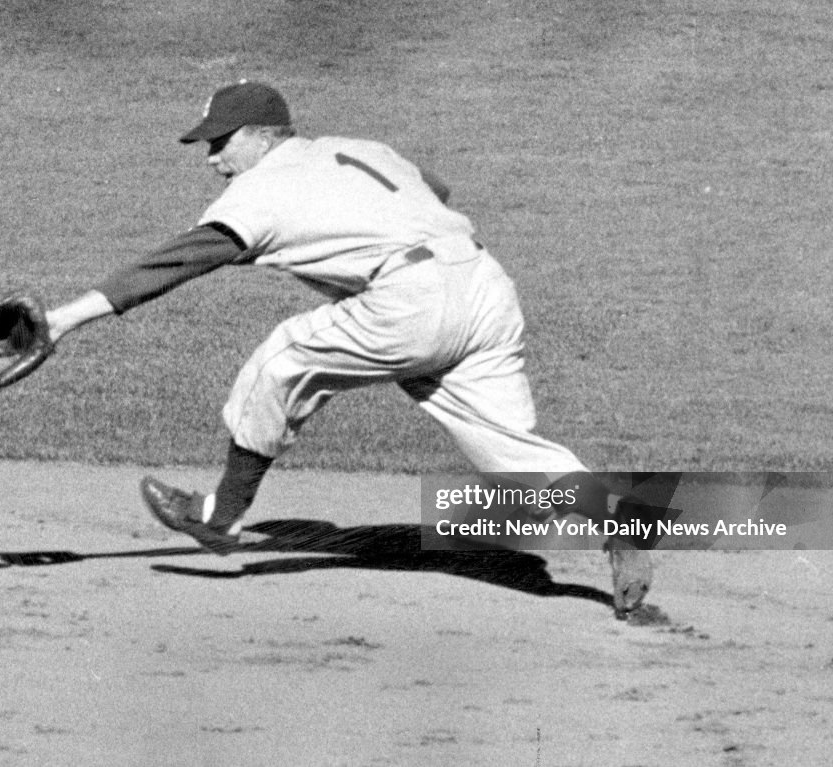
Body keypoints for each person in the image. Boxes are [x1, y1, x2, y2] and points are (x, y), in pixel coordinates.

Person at [42, 80, 655, 617]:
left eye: (219, 142)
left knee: (281, 361)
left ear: (260, 136)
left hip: (414, 300)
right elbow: (434, 190)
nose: (212, 158)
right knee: (509, 449)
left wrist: (62, 320)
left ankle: (220, 518)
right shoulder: (361, 149)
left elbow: (178, 261)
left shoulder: (261, 188)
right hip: (484, 286)